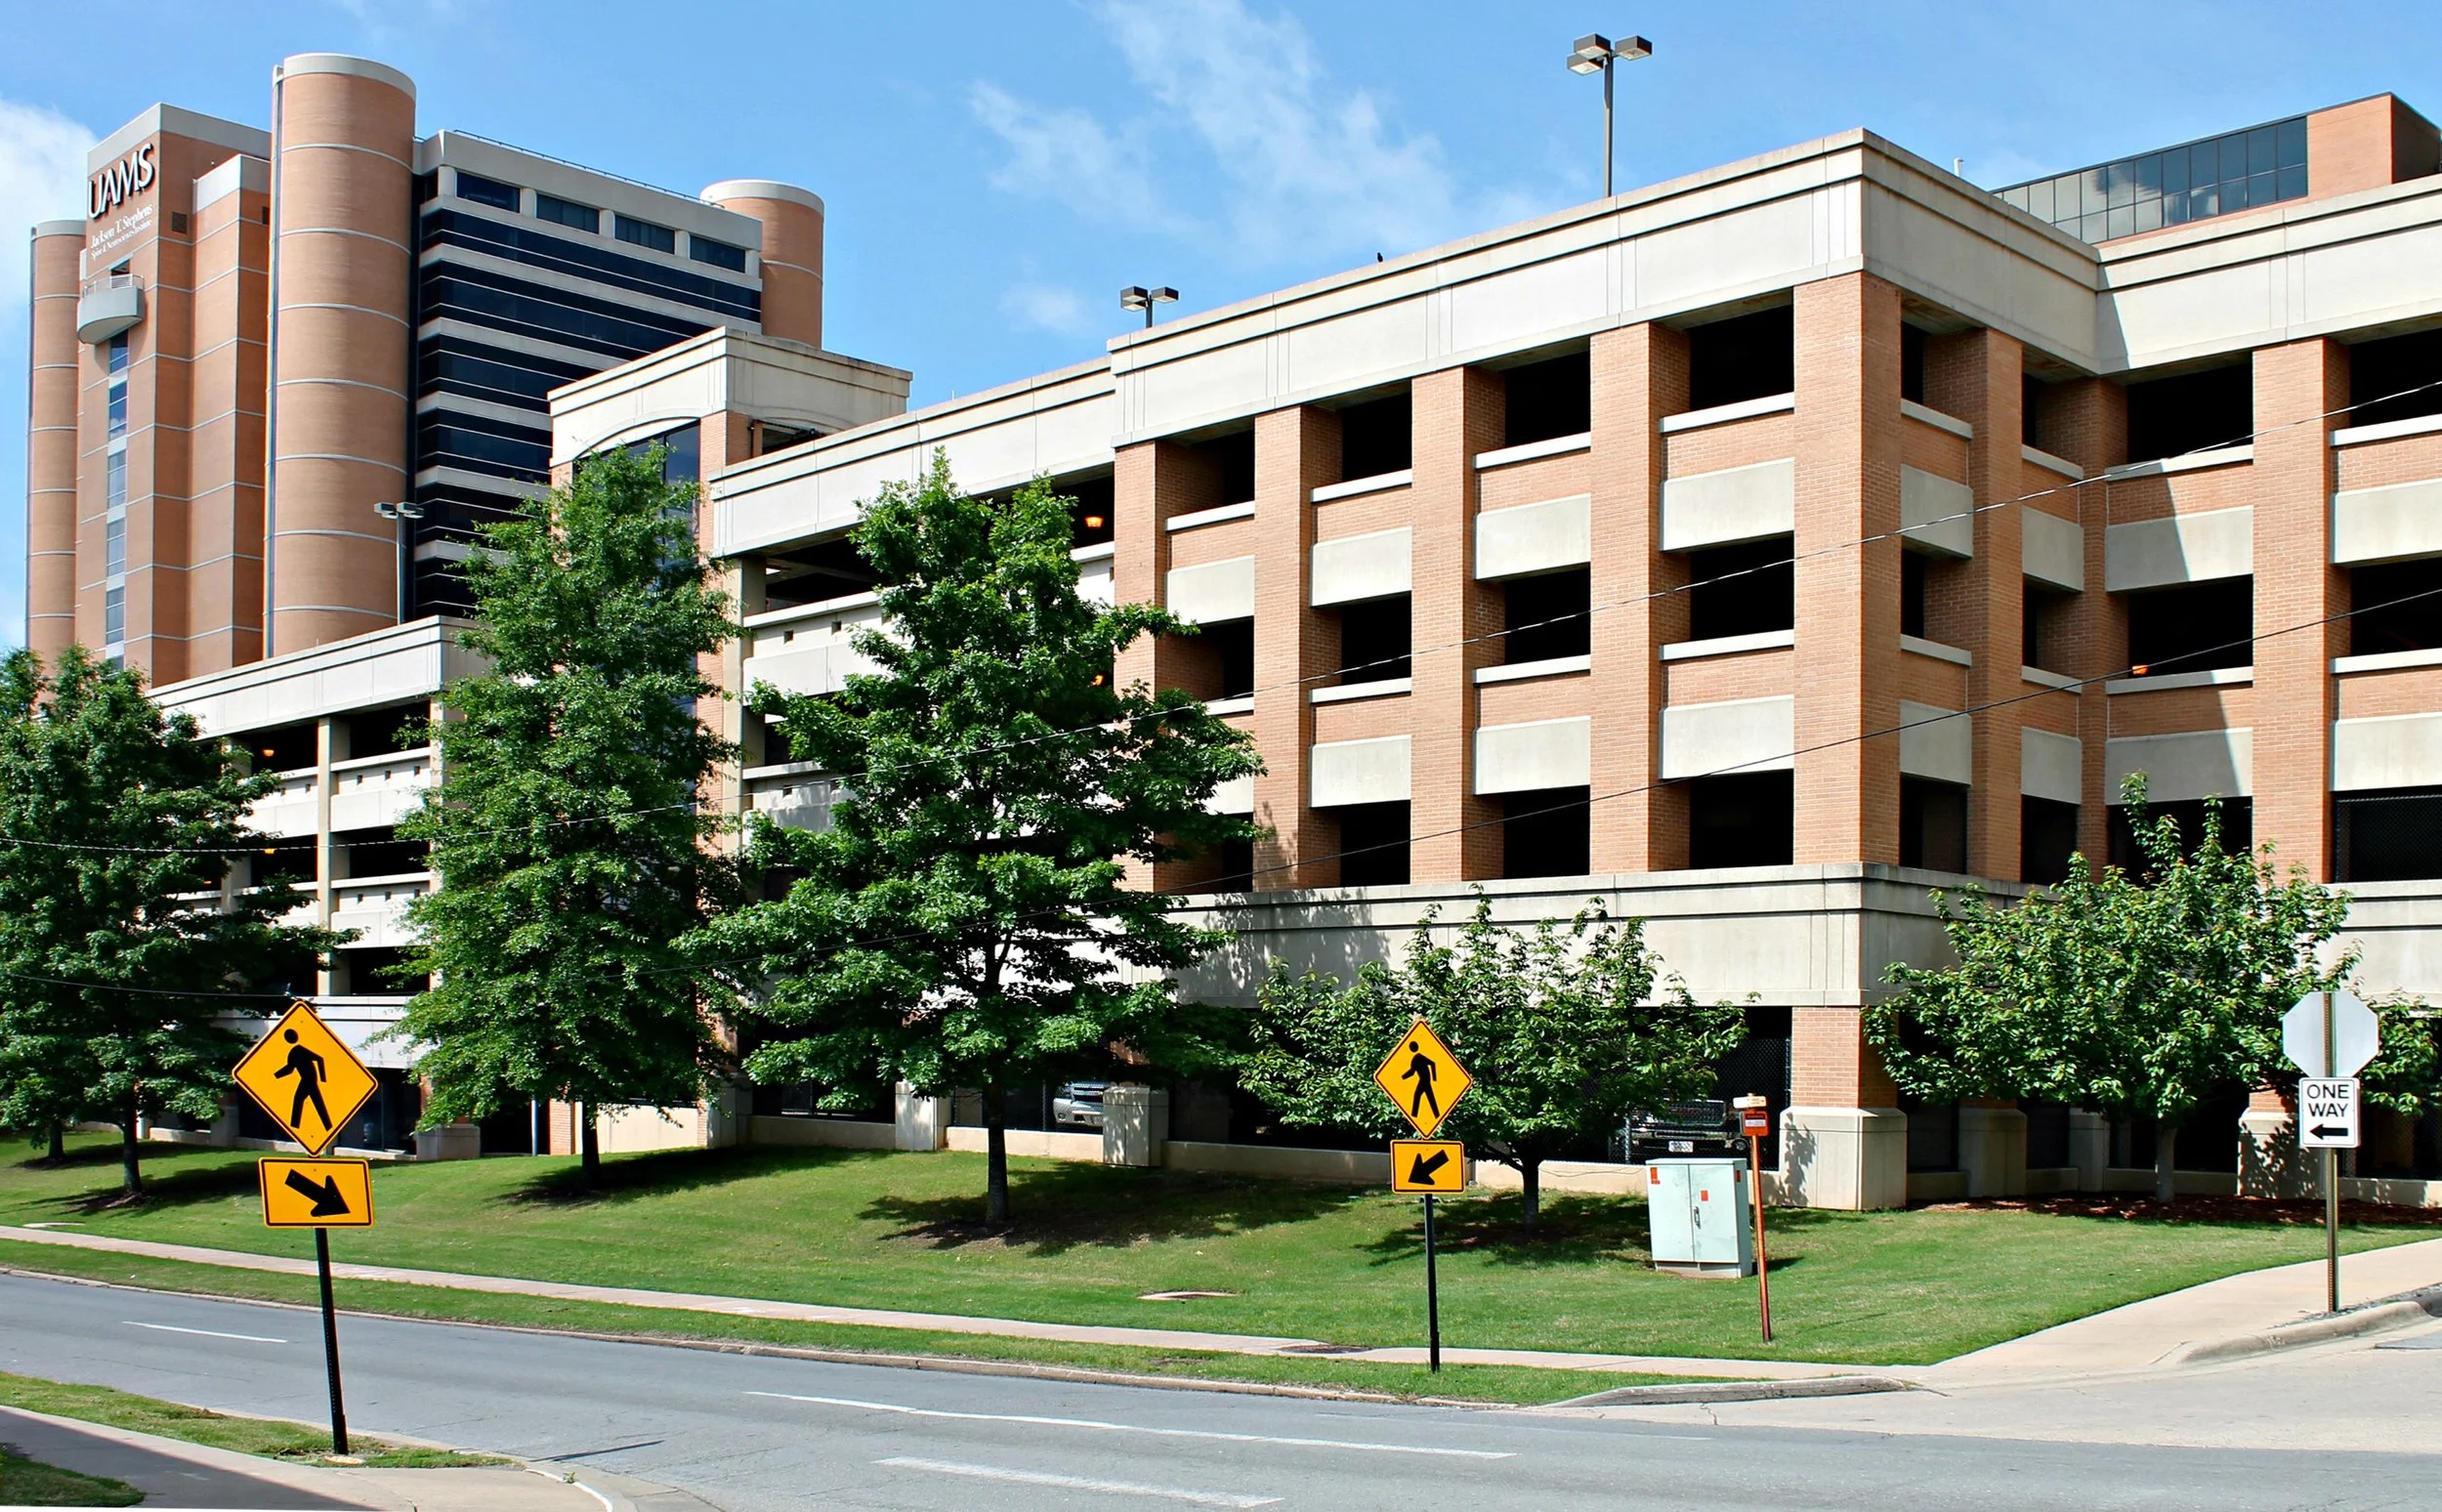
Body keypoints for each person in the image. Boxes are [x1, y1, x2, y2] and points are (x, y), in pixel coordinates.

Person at [274, 1028, 331, 1133]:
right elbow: (290, 1069)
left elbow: (319, 1059)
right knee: (316, 1103)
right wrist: (275, 1075)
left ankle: (295, 1126)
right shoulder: (293, 1053)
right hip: (307, 1079)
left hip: (309, 1079)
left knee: (300, 1100)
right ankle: (326, 1126)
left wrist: (323, 1078)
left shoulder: (299, 1050)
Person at [1400, 1039, 1440, 1121]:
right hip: (1424, 1079)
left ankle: (1414, 1115)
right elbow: (1412, 1072)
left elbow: (1432, 1063)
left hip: (1424, 1080)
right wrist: (1402, 1077)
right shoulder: (1416, 1058)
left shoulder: (1418, 1057)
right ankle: (1436, 1115)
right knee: (1429, 1098)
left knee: (1418, 1096)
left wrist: (1434, 1078)